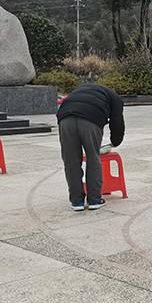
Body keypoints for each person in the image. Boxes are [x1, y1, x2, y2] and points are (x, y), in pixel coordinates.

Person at [57, 83, 125, 211]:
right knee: (93, 157)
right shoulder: (115, 98)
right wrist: (115, 142)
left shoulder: (79, 90)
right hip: (90, 120)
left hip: (65, 119)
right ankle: (94, 199)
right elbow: (117, 123)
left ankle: (76, 201)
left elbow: (65, 104)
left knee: (71, 160)